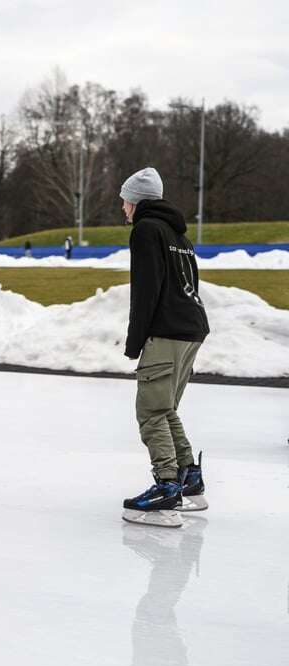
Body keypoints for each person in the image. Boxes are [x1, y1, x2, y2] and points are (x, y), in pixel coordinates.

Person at [118, 167, 210, 527]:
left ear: (136, 200)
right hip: (193, 329)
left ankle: (167, 487)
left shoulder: (146, 230)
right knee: (166, 406)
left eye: (125, 200)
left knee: (151, 412)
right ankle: (189, 476)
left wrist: (134, 341)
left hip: (167, 330)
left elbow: (146, 288)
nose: (123, 207)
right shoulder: (178, 235)